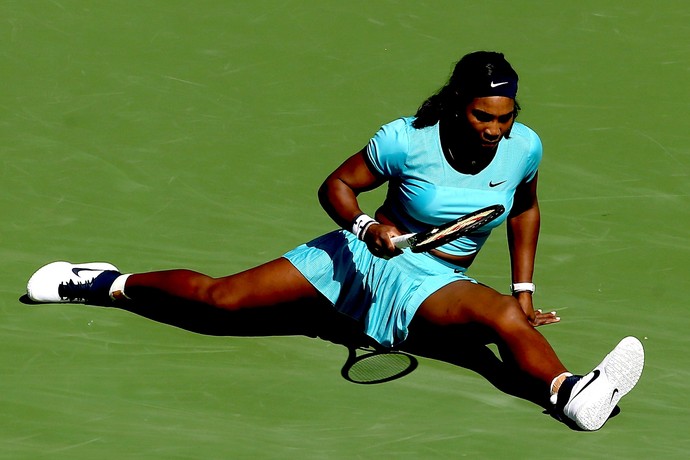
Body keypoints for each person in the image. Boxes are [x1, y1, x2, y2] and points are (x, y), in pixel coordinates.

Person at [26, 51, 643, 431]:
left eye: (504, 118)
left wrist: (525, 288)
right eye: (483, 117)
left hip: (432, 276)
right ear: (458, 107)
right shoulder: (406, 139)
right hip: (357, 256)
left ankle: (569, 393)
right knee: (222, 301)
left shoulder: (524, 146)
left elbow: (525, 209)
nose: (495, 130)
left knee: (505, 318)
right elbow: (337, 186)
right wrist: (366, 227)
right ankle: (104, 282)